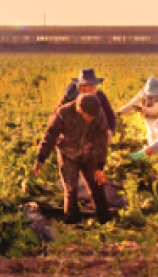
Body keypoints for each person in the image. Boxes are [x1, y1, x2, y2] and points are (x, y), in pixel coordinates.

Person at [34, 94, 113, 224]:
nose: (92, 118)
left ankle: (105, 219)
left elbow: (101, 141)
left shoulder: (99, 114)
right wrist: (41, 158)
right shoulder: (63, 113)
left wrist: (100, 167)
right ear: (80, 110)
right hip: (68, 154)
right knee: (71, 188)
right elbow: (50, 135)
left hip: (89, 154)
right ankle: (72, 221)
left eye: (94, 115)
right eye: (89, 116)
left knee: (97, 185)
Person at [118, 76, 158, 146]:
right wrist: (119, 112)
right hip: (150, 117)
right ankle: (154, 153)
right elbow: (131, 104)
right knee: (152, 134)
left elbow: (154, 109)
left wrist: (141, 109)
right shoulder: (142, 93)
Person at [59, 68, 116, 136]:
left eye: (90, 86)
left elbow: (109, 114)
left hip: (93, 133)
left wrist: (110, 131)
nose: (87, 89)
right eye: (84, 85)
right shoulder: (69, 96)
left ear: (95, 86)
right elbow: (57, 115)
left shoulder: (100, 95)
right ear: (79, 86)